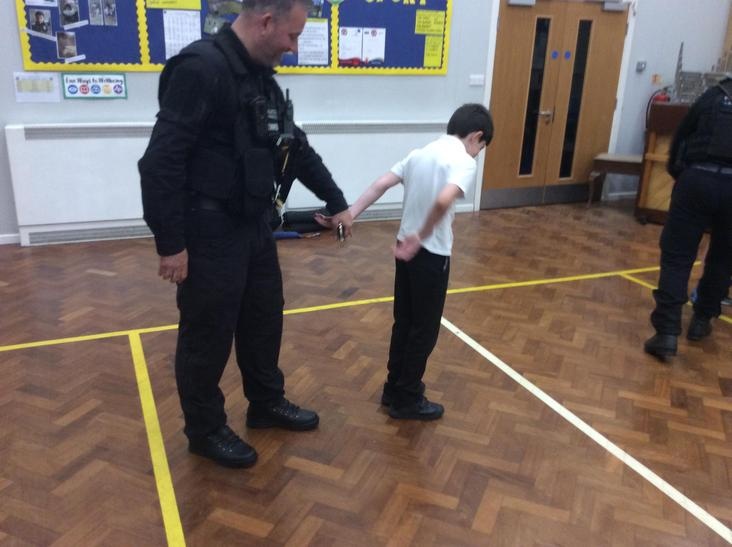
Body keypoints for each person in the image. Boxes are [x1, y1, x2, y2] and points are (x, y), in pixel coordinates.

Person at [138, 0, 353, 468]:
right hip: (208, 230)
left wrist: (337, 202)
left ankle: (265, 403)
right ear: (266, 21)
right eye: (292, 36)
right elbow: (159, 163)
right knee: (207, 335)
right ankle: (205, 430)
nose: (293, 48)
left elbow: (295, 147)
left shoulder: (258, 78)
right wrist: (171, 244)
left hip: (253, 225)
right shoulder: (200, 69)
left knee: (263, 319)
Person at [316, 104, 493, 420]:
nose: (478, 154)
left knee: (405, 322)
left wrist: (349, 215)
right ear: (476, 136)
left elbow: (381, 184)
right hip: (429, 253)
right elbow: (443, 200)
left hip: (404, 252)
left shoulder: (418, 154)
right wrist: (421, 236)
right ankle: (407, 398)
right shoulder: (463, 161)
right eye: (481, 148)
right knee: (424, 330)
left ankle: (393, 388)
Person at [644, 77, 732, 360]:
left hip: (697, 181)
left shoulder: (712, 97)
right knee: (723, 259)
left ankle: (667, 333)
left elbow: (681, 138)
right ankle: (702, 320)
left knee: (677, 257)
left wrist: (682, 177)